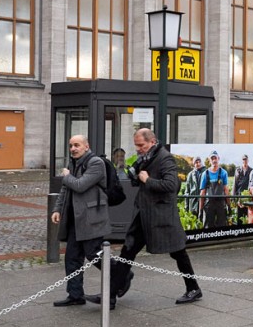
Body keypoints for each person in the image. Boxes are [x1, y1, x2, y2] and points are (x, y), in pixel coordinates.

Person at [92, 128, 201, 308]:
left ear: (152, 142)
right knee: (128, 251)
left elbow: (171, 185)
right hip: (144, 214)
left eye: (141, 145)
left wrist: (147, 179)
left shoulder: (165, 158)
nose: (138, 149)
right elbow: (139, 180)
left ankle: (193, 288)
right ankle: (110, 296)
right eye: (136, 145)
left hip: (161, 215)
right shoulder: (146, 158)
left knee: (178, 252)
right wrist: (135, 176)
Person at [50, 135, 109, 307]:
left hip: (92, 218)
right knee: (72, 258)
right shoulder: (73, 163)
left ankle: (122, 275)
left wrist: (67, 176)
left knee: (94, 255)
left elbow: (80, 185)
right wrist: (57, 209)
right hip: (75, 219)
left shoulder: (96, 163)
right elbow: (65, 189)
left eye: (76, 145)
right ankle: (75, 295)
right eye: (70, 146)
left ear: (86, 146)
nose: (73, 149)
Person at [199, 151, 230, 229]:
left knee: (222, 226)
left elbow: (226, 190)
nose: (214, 160)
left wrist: (229, 205)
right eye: (212, 158)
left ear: (218, 159)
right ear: (209, 160)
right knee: (208, 227)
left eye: (215, 158)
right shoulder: (205, 174)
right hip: (209, 205)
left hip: (221, 204)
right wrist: (200, 209)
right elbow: (202, 193)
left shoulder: (223, 173)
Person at [233, 154, 252, 223]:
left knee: (248, 218)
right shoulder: (238, 170)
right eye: (243, 159)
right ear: (242, 160)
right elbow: (235, 184)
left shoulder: (251, 170)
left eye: (246, 159)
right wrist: (234, 198)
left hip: (248, 198)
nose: (245, 161)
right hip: (239, 198)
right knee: (239, 219)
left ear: (248, 160)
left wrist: (251, 199)